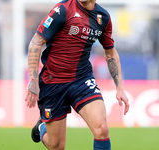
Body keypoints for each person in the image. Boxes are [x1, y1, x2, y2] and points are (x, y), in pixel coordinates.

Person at [25, 0, 130, 150]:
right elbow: (36, 42)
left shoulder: (103, 17)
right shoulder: (62, 10)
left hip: (82, 80)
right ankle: (42, 127)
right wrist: (33, 81)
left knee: (102, 129)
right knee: (56, 146)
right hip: (53, 82)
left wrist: (119, 88)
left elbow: (110, 52)